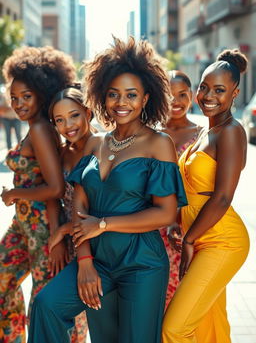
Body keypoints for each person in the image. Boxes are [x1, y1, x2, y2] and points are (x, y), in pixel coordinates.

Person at [27, 36, 187, 343]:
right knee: (47, 306)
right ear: (102, 96)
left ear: (145, 98)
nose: (121, 103)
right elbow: (78, 206)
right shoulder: (96, 143)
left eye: (131, 95)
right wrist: (85, 261)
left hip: (141, 263)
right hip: (97, 260)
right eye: (113, 94)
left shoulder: (158, 144)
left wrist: (102, 225)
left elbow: (166, 213)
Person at [162, 48, 250, 343]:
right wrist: (178, 223)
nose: (208, 95)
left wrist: (188, 238)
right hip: (198, 236)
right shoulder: (205, 131)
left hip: (221, 241)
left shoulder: (231, 132)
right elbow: (188, 190)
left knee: (174, 328)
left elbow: (223, 198)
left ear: (235, 93)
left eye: (220, 90)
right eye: (204, 87)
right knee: (207, 327)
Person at [0, 46, 76, 343]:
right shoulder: (35, 127)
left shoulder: (42, 129)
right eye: (14, 97)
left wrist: (14, 193)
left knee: (45, 302)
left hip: (44, 229)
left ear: (43, 93)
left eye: (26, 97)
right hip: (25, 225)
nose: (18, 104)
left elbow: (55, 188)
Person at [48, 86, 96, 342]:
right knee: (64, 321)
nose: (68, 125)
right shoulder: (62, 153)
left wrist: (65, 229)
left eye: (74, 115)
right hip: (68, 243)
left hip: (95, 240)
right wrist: (58, 237)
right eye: (59, 120)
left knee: (89, 316)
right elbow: (53, 198)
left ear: (88, 112)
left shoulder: (103, 146)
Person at [161, 70, 202, 307]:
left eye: (182, 94)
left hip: (187, 227)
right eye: (169, 94)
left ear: (192, 96)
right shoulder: (151, 133)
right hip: (154, 226)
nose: (175, 101)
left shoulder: (201, 135)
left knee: (182, 302)